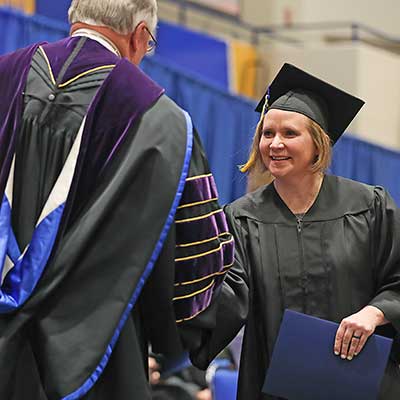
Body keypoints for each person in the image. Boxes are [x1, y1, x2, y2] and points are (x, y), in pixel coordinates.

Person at [0, 0, 233, 399]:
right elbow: (184, 263)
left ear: (74, 18)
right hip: (97, 355)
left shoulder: (5, 75)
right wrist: (177, 340)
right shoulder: (164, 122)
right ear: (140, 35)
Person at [182, 63, 400, 399]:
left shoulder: (369, 206)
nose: (275, 144)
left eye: (289, 134)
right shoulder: (242, 219)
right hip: (276, 388)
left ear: (318, 144)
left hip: (362, 384)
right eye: (267, 134)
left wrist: (374, 313)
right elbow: (227, 300)